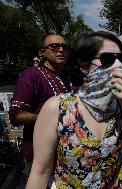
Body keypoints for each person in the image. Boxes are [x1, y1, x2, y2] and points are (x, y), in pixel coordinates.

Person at [25, 31, 122, 188]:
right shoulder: (57, 108)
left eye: (121, 59)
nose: (118, 65)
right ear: (84, 66)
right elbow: (40, 172)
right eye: (107, 58)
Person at [9, 34, 73, 180]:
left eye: (65, 47)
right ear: (43, 52)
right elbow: (15, 115)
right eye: (55, 46)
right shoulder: (31, 75)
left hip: (65, 156)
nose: (61, 50)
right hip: (39, 156)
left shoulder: (67, 77)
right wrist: (49, 118)